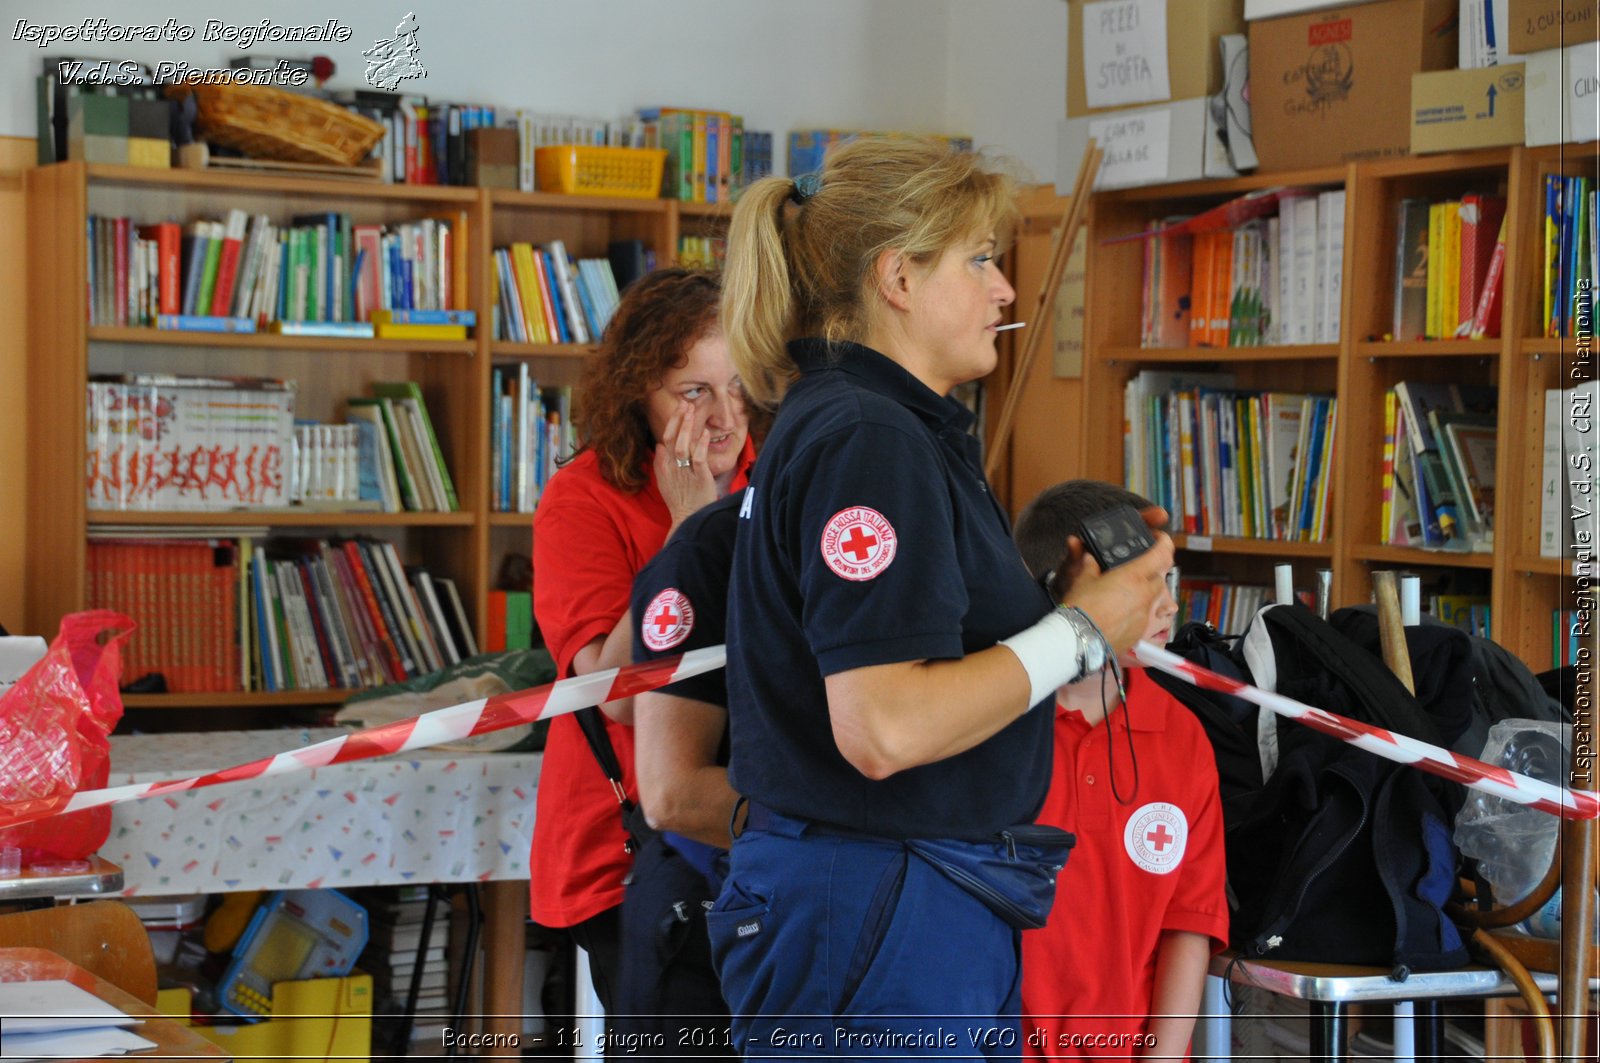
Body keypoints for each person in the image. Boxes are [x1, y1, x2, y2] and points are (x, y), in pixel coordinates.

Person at [712, 136, 1176, 1059]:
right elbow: (883, 725)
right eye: (979, 260)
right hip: (878, 903)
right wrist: (1082, 632)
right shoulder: (867, 439)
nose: (1006, 290)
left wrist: (1068, 610)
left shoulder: (887, 426)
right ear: (897, 278)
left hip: (902, 897)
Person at [528, 268, 754, 1015]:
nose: (724, 416)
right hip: (623, 843)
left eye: (740, 385)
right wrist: (689, 535)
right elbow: (617, 696)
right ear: (639, 394)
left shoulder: (775, 476)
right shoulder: (584, 496)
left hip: (751, 827)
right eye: (694, 391)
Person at [1012, 480, 1228, 1061]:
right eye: (1141, 582)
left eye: (1168, 579)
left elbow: (1189, 924)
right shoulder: (996, 725)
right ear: (1066, 590)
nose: (1167, 605)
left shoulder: (1182, 738)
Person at [619, 488, 746, 1057]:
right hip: (703, 887)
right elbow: (671, 794)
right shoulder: (704, 549)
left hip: (816, 903)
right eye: (695, 391)